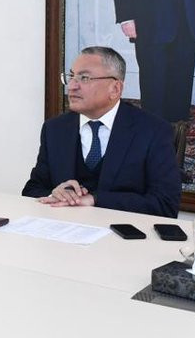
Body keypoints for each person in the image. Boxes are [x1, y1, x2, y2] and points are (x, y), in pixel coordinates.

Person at [22, 46, 180, 217]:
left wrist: (95, 199)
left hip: (120, 231)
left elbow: (165, 205)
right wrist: (54, 194)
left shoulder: (153, 131)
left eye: (84, 78)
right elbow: (31, 190)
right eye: (71, 76)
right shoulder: (55, 129)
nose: (72, 86)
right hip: (64, 228)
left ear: (115, 89)